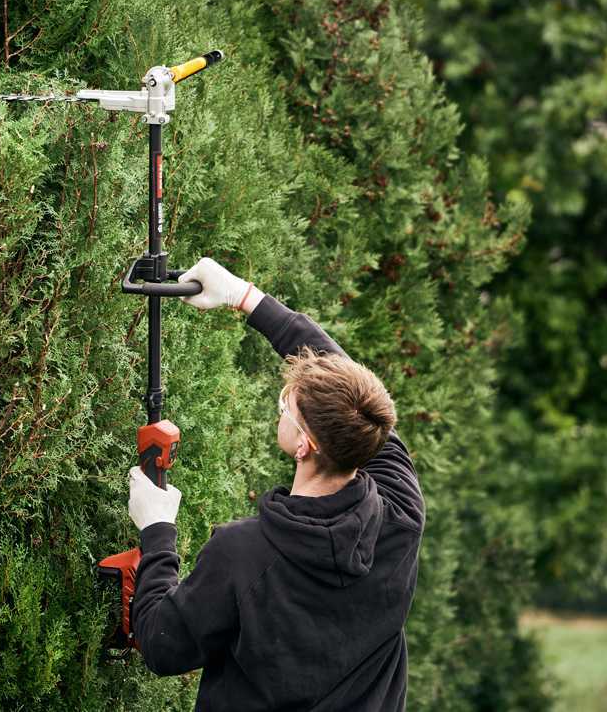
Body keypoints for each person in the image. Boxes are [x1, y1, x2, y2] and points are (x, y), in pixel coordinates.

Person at [127, 257, 425, 711]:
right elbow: (348, 386)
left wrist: (157, 530)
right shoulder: (401, 511)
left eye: (288, 405)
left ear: (305, 445)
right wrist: (243, 296)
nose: (281, 400)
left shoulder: (244, 554)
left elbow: (163, 644)